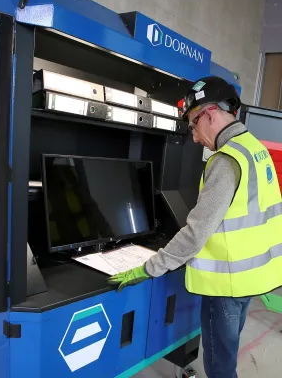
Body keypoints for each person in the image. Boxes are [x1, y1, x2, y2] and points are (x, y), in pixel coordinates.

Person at [108, 76, 282, 378]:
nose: (194, 136)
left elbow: (196, 232)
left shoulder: (227, 160)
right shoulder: (255, 149)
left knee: (219, 366)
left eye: (192, 124)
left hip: (227, 284)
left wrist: (149, 267)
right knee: (226, 355)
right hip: (248, 278)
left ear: (210, 114)